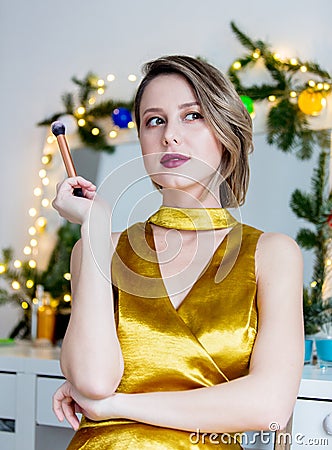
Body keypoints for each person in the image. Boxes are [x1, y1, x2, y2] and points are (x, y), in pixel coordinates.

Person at [52, 55, 304, 449]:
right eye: (155, 120)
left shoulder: (272, 254)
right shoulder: (100, 246)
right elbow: (93, 380)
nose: (170, 135)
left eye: (192, 116)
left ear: (226, 131)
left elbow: (270, 407)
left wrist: (118, 407)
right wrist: (96, 226)